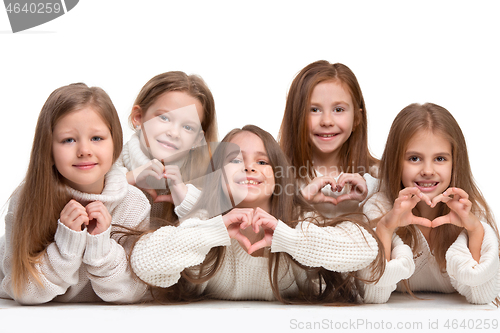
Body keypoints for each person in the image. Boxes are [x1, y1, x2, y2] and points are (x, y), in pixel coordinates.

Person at [130, 125, 384, 304]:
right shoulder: (205, 219)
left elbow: (365, 249)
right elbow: (143, 262)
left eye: (262, 162)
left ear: (279, 177)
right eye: (235, 161)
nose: (250, 167)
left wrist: (288, 238)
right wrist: (215, 232)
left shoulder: (297, 221)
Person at [0, 83, 150, 305]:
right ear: (48, 149)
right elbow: (22, 290)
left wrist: (101, 247)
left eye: (97, 138)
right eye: (68, 140)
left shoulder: (134, 204)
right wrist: (66, 246)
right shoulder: (26, 199)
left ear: (115, 143)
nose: (84, 150)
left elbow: (133, 292)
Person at [362, 103, 500, 305]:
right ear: (395, 162)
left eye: (440, 158)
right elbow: (373, 295)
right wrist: (385, 228)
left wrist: (475, 230)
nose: (427, 170)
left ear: (455, 163)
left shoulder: (470, 210)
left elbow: (481, 296)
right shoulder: (379, 207)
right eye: (414, 158)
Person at [279, 60, 379, 218]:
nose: (326, 121)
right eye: (314, 110)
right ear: (296, 117)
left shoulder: (378, 177)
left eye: (338, 109)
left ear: (357, 118)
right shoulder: (277, 177)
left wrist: (372, 191)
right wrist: (301, 202)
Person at [115, 71, 218, 223]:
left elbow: (208, 238)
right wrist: (129, 178)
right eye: (164, 118)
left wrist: (187, 201)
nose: (174, 133)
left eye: (188, 127)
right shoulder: (107, 165)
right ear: (138, 117)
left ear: (197, 139)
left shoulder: (202, 187)